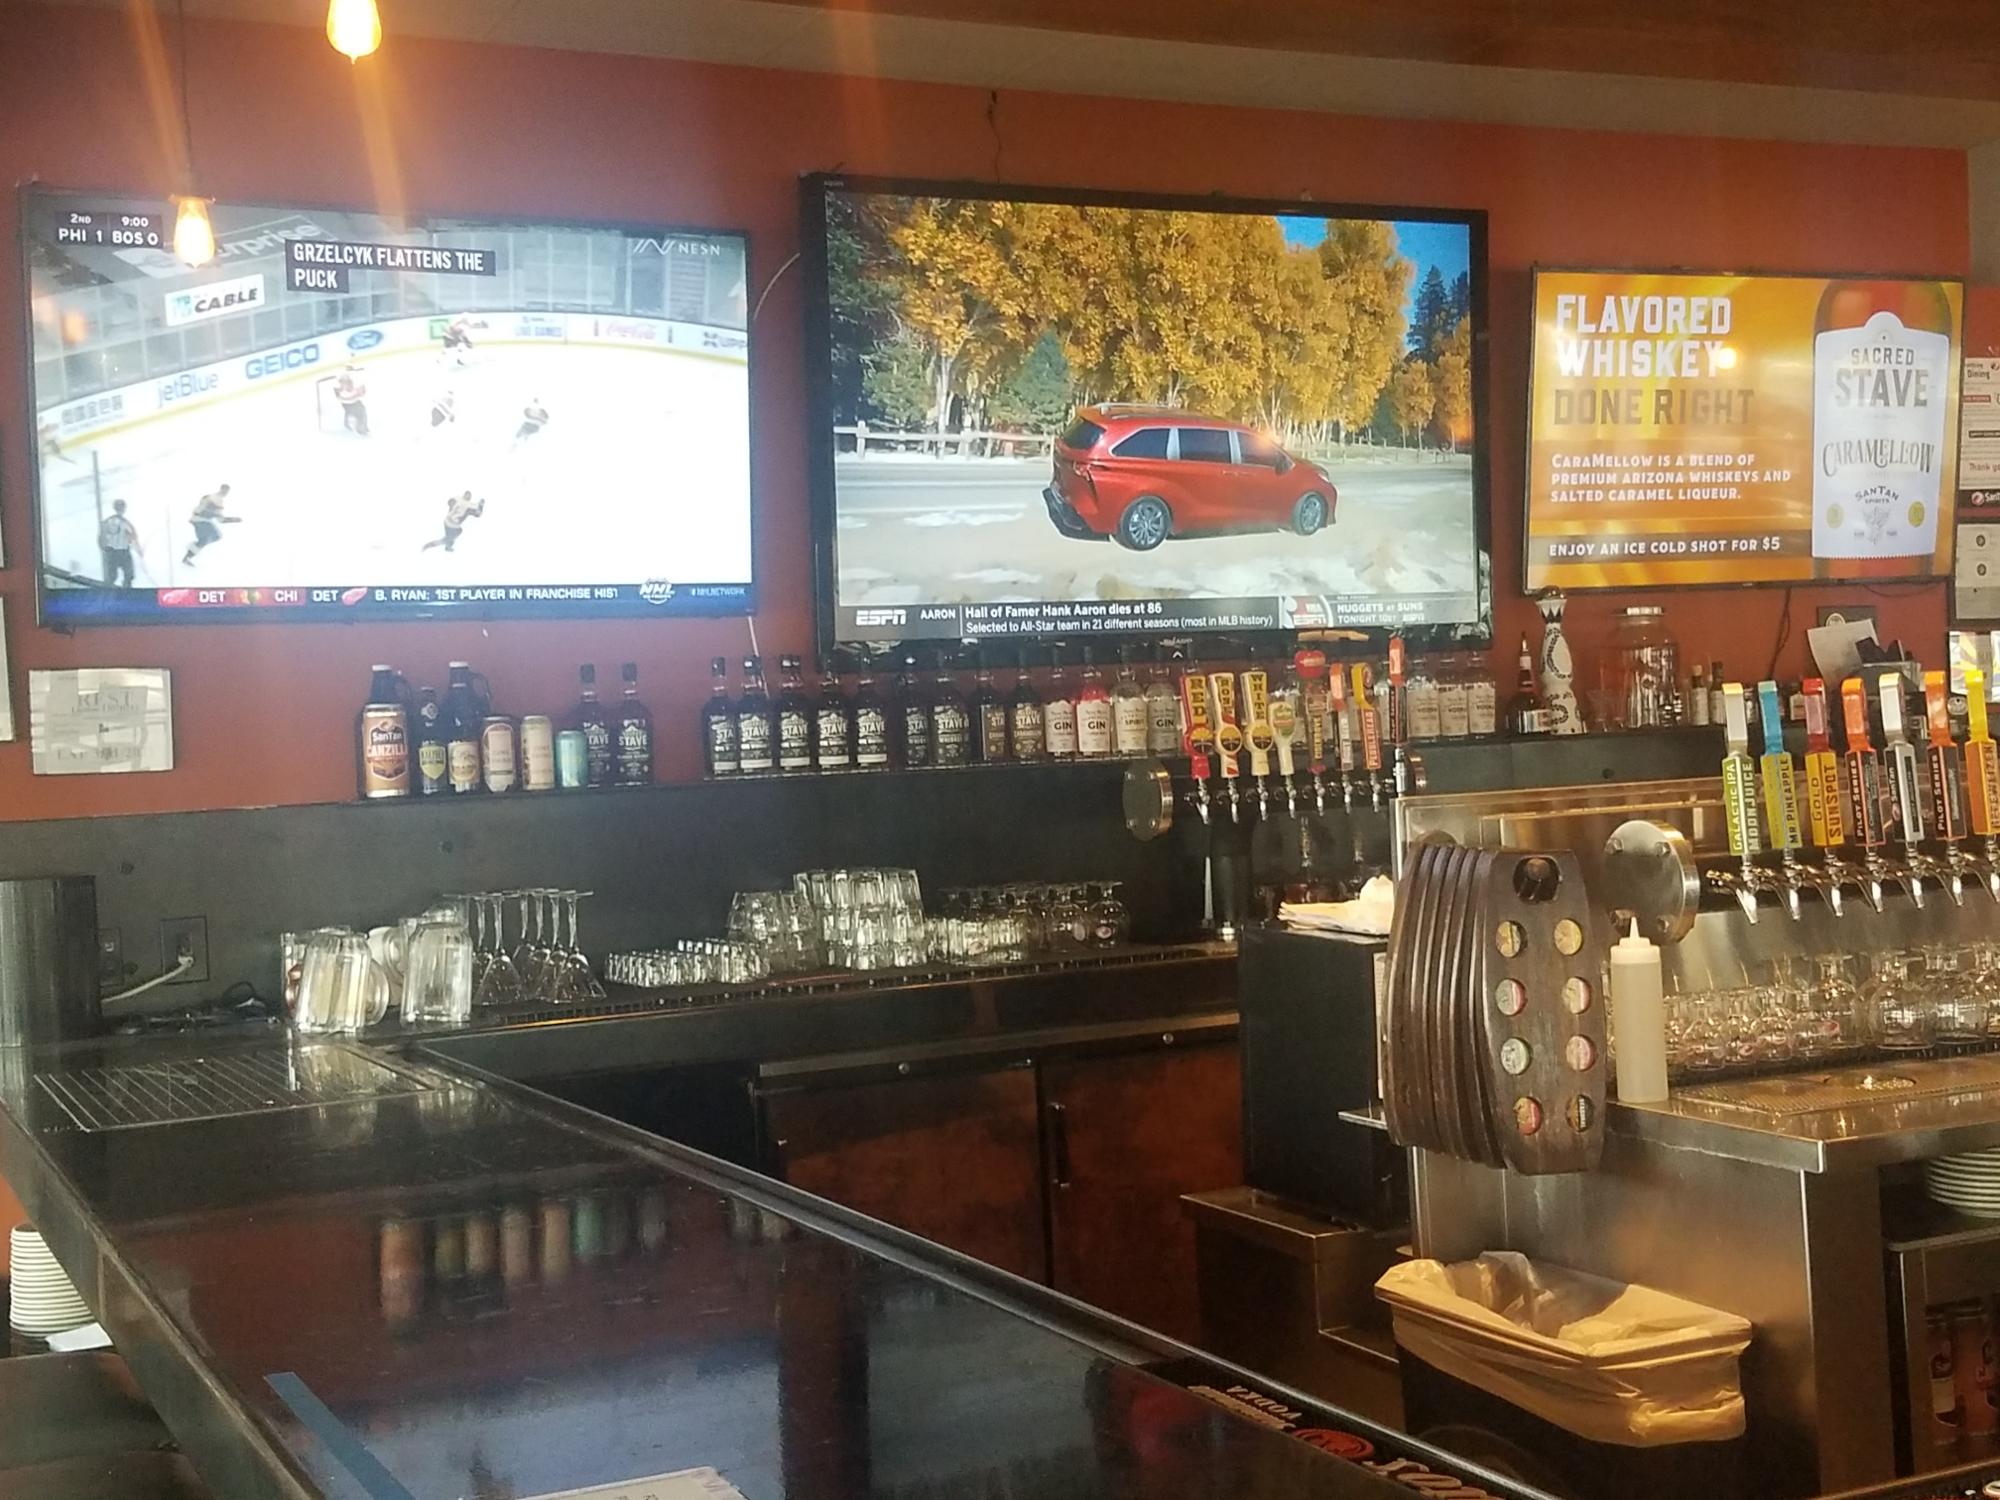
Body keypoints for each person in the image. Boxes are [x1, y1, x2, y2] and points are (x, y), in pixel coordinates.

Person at [182, 484, 239, 568]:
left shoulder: (215, 500)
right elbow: (219, 518)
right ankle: (193, 548)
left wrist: (234, 519)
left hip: (199, 520)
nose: (225, 493)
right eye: (224, 491)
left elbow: (221, 520)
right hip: (200, 520)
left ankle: (188, 555)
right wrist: (235, 519)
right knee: (215, 536)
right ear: (221, 489)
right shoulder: (215, 498)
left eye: (227, 492)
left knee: (208, 539)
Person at [99, 500, 143, 587]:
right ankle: (126, 590)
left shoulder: (107, 522)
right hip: (123, 552)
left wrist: (104, 549)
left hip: (111, 553)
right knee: (128, 575)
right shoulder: (125, 523)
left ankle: (109, 590)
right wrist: (138, 550)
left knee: (111, 577)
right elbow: (132, 537)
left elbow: (101, 538)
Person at [333, 367, 369, 436]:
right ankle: (361, 429)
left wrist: (340, 397)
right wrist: (358, 393)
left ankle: (347, 423)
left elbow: (336, 391)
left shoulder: (339, 377)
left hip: (344, 402)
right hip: (352, 401)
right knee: (361, 412)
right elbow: (362, 392)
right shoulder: (355, 378)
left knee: (349, 410)